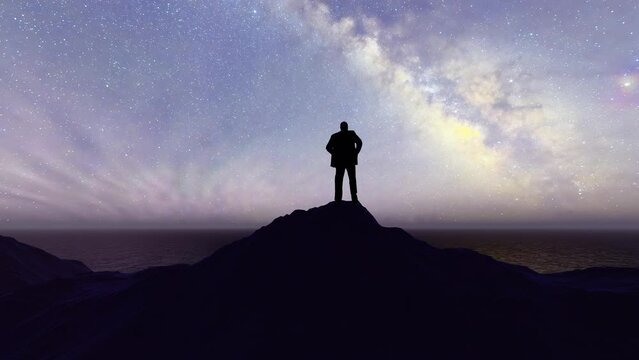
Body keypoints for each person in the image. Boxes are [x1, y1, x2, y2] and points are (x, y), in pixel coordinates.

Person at [325, 121, 363, 202]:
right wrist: (356, 152)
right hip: (349, 160)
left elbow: (328, 147)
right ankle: (354, 198)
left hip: (341, 161)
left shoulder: (335, 136)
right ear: (346, 127)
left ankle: (338, 199)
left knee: (340, 180)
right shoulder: (351, 134)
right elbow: (359, 142)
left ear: (340, 127)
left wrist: (335, 153)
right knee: (351, 179)